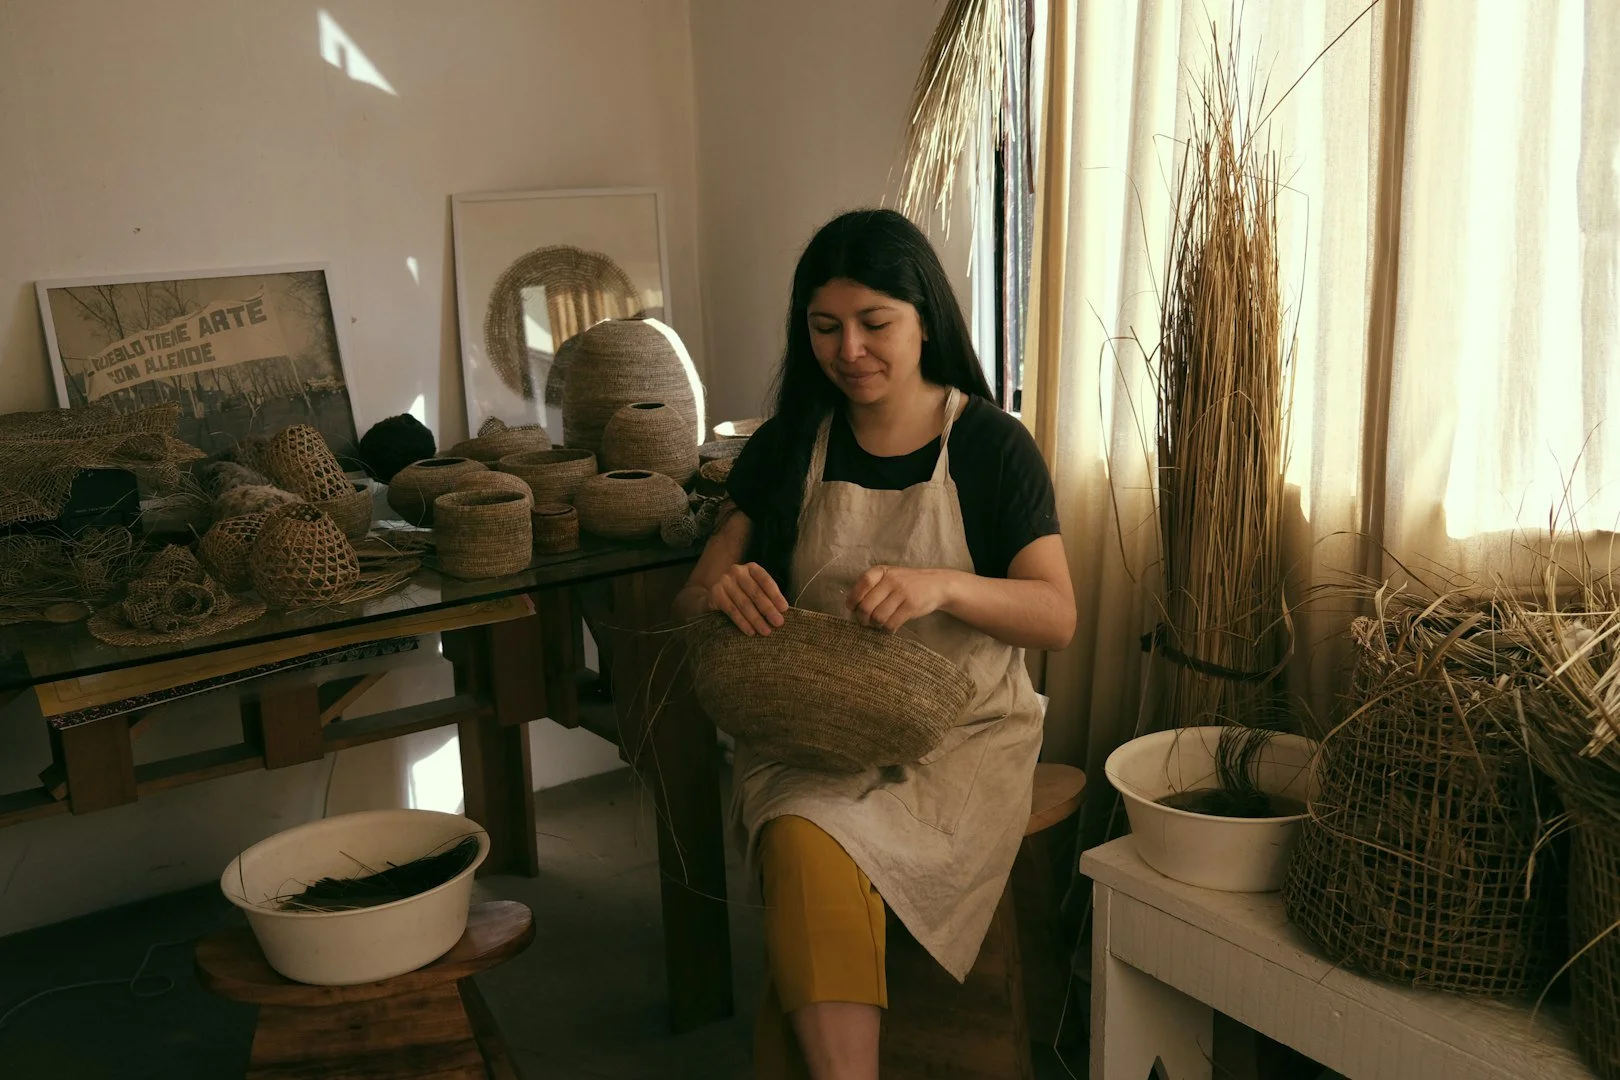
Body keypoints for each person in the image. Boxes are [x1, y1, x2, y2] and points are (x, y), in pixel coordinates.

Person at [672, 208, 1075, 1080]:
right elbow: (696, 592)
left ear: (924, 316)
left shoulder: (991, 446)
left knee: (819, 839)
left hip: (959, 737)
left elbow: (1057, 616)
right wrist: (723, 593)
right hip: (812, 732)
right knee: (802, 830)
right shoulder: (788, 448)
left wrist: (945, 585)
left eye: (873, 323)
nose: (847, 349)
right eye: (825, 327)